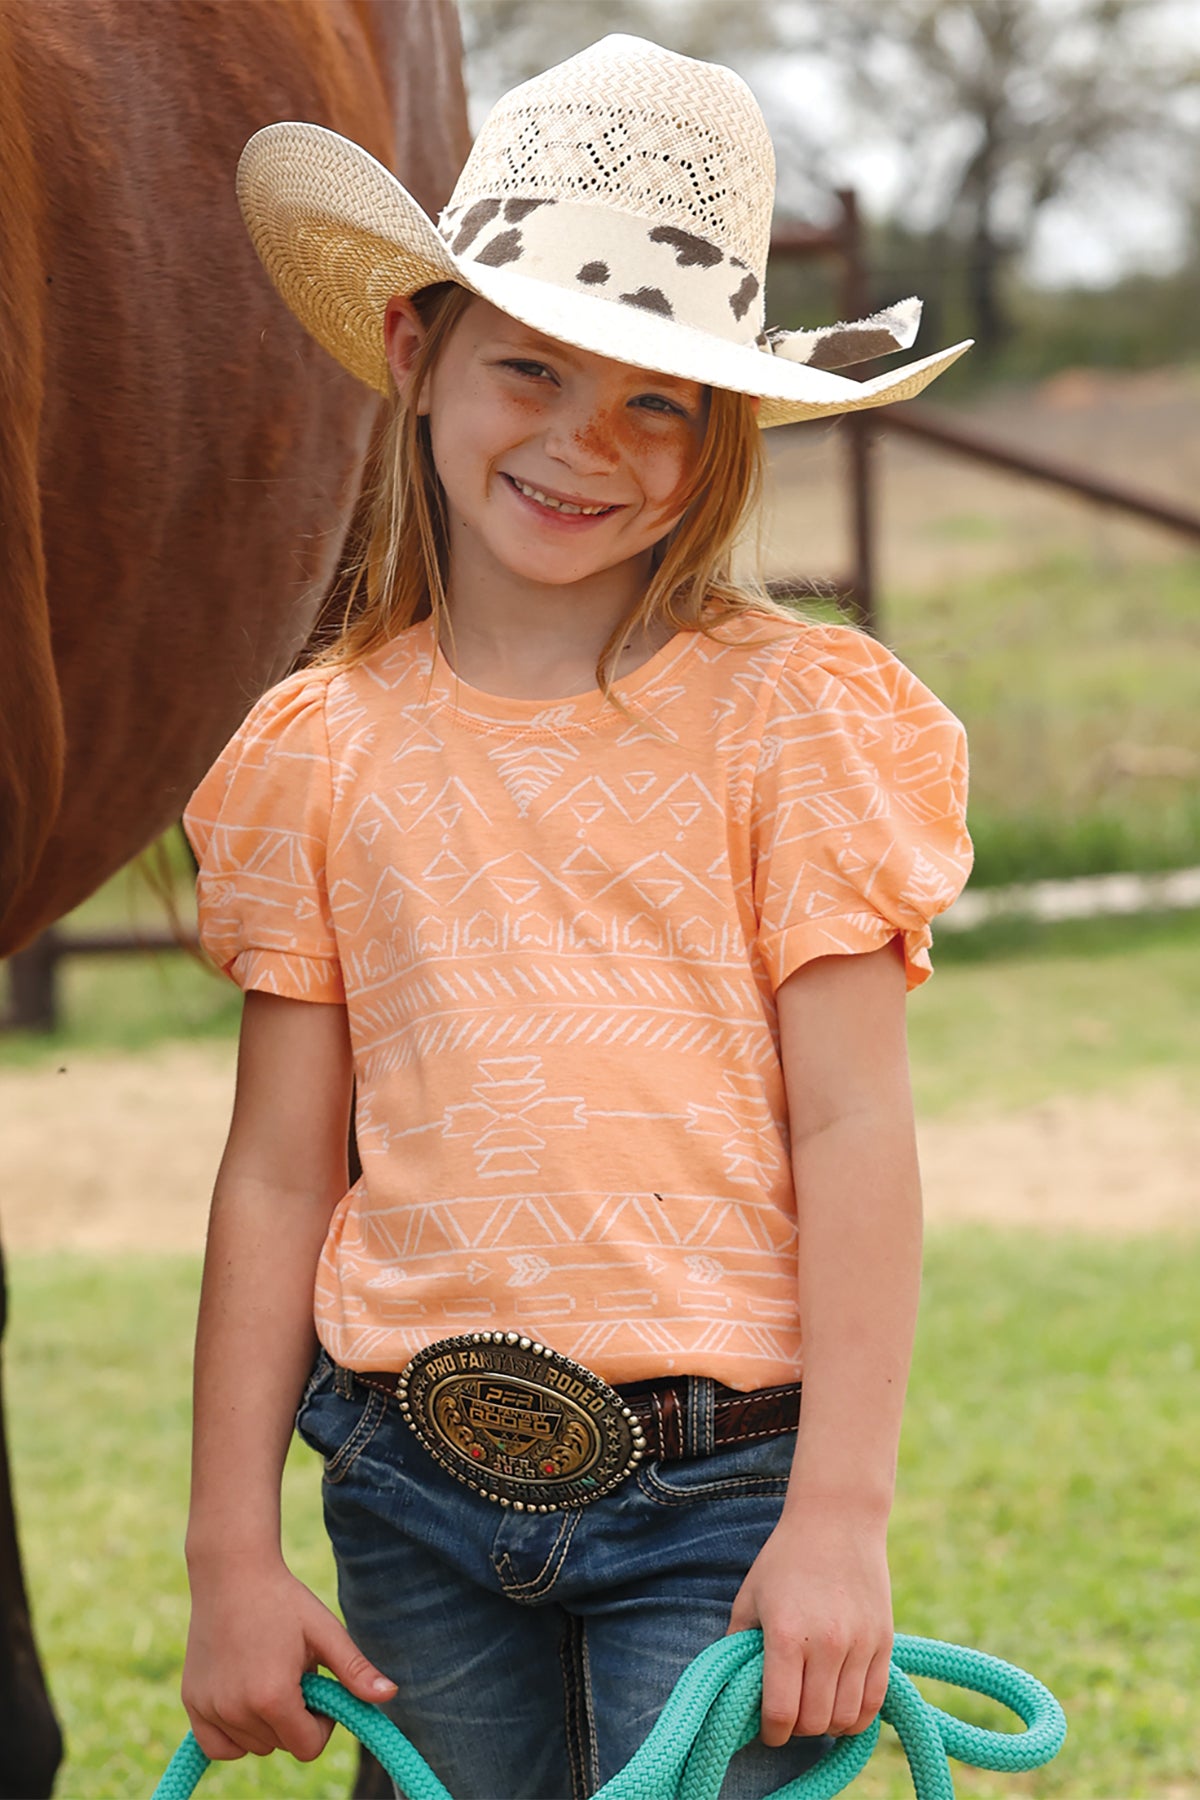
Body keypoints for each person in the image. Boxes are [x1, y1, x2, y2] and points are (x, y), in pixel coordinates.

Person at [180, 34, 973, 1800]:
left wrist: (839, 1513)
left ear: (723, 433)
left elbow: (855, 1124)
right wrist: (229, 1552)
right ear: (418, 350)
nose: (578, 443)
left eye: (655, 401)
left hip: (726, 1496)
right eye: (527, 367)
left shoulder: (799, 724)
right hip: (408, 1482)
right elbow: (277, 1173)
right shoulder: (320, 750)